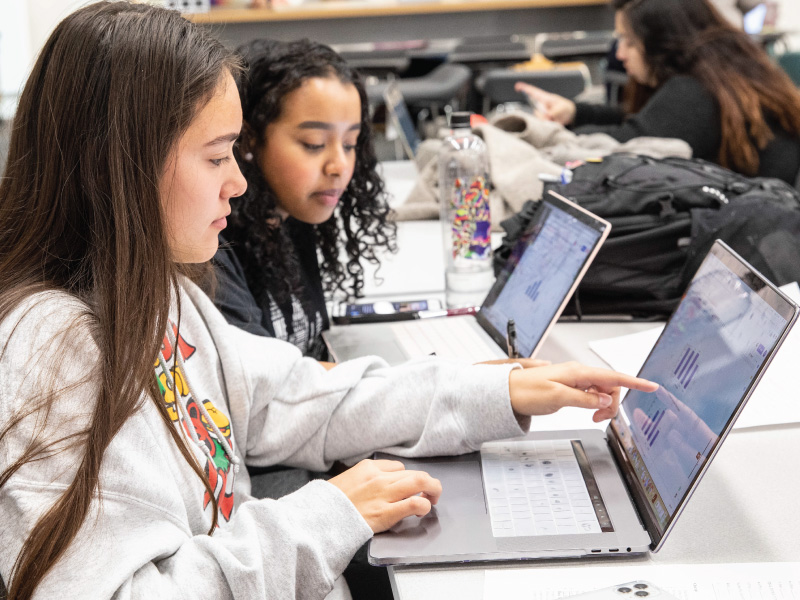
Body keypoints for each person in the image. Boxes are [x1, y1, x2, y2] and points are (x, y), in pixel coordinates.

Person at [0, 3, 659, 599]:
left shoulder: (161, 295)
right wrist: (332, 511)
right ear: (122, 164)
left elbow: (299, 400)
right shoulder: (53, 354)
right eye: (215, 157)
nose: (238, 181)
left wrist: (502, 391)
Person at [213, 39, 395, 360]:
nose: (339, 166)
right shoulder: (215, 249)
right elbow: (272, 383)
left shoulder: (292, 215)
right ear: (249, 140)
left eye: (350, 143)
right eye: (314, 144)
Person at [515, 0, 800, 185]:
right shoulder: (719, 74)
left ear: (662, 43)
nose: (621, 53)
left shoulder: (694, 94)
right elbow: (645, 119)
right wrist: (576, 113)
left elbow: (622, 147)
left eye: (628, 41)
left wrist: (540, 134)